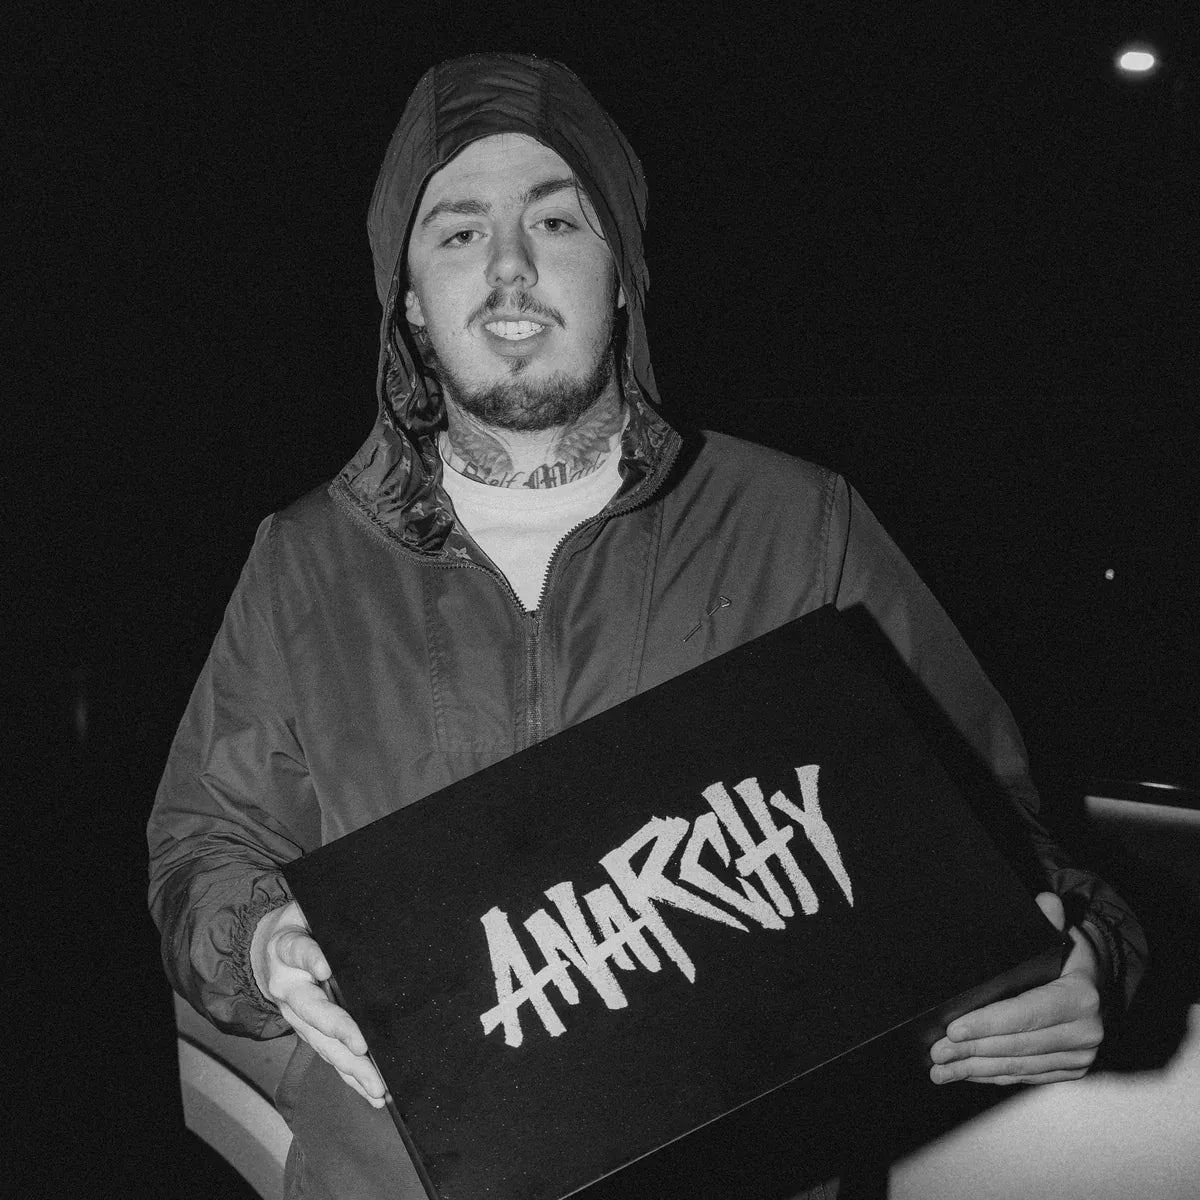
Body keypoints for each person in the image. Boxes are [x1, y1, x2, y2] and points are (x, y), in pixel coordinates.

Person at [148, 52, 1146, 1200]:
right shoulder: (305, 562)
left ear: (623, 270)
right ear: (408, 299)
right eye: (459, 232)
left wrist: (1089, 955)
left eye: (557, 220)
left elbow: (1004, 832)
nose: (510, 266)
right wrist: (263, 941)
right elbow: (200, 843)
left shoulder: (800, 526)